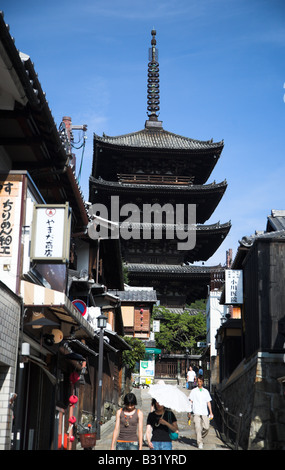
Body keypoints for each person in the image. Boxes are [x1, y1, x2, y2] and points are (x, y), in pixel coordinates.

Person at [189, 376, 213, 449]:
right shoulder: (193, 391)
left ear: (202, 382)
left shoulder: (206, 391)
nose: (199, 383)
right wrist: (189, 412)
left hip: (204, 412)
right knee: (198, 427)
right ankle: (199, 442)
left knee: (206, 427)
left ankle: (200, 437)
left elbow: (208, 402)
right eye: (198, 381)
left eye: (200, 381)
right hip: (196, 412)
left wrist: (211, 412)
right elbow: (190, 402)